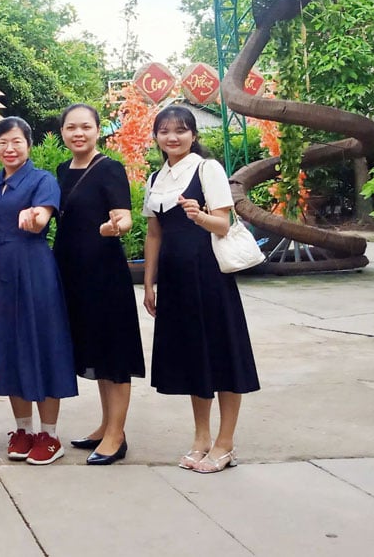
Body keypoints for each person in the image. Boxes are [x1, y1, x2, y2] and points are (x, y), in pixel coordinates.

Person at [142, 105, 259, 473]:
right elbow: (154, 233)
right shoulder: (155, 178)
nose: (172, 137)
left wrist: (199, 215)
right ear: (157, 136)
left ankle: (225, 444)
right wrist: (149, 281)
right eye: (164, 131)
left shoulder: (208, 169)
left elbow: (223, 224)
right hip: (175, 282)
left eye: (180, 130)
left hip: (209, 277)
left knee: (223, 354)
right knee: (194, 356)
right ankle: (201, 438)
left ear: (193, 135)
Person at [0, 116, 77, 465]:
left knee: (42, 345)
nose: (9, 148)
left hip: (34, 271)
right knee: (9, 345)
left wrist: (34, 218)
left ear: (29, 145)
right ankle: (23, 429)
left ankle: (49, 434)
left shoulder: (43, 179)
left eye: (16, 141)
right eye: (3, 142)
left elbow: (43, 216)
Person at [54, 104, 144, 465]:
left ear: (97, 131)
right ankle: (106, 424)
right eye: (71, 127)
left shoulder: (110, 168)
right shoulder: (61, 171)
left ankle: (116, 435)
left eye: (85, 127)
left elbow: (124, 215)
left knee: (115, 353)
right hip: (74, 274)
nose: (78, 133)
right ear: (62, 132)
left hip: (105, 274)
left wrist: (116, 226)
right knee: (97, 352)